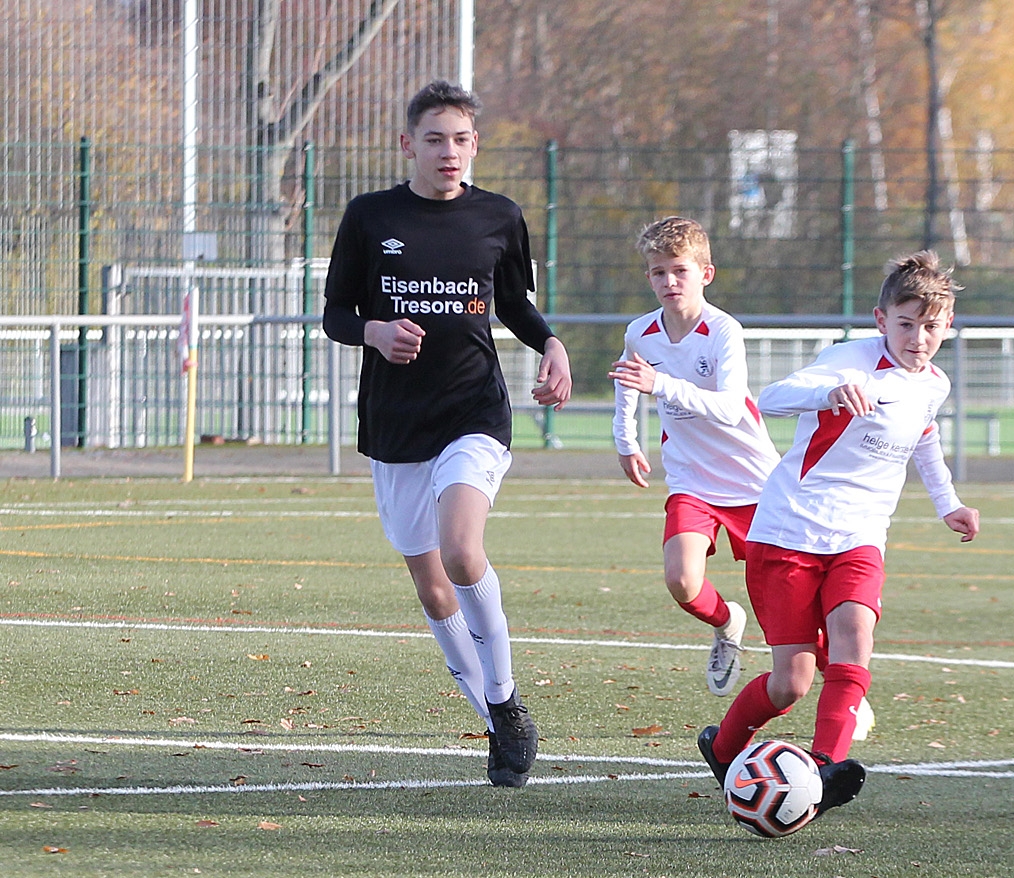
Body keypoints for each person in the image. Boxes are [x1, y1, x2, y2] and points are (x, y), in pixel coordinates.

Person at [322, 80, 572, 788]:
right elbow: (336, 313)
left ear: (475, 145)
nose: (448, 151)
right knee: (434, 591)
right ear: (409, 144)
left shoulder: (499, 216)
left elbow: (514, 303)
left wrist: (551, 344)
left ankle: (506, 700)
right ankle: (497, 723)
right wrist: (375, 331)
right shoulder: (370, 216)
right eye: (434, 139)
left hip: (474, 412)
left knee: (462, 550)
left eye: (460, 139)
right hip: (398, 424)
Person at [697, 250, 980, 816]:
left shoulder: (934, 384)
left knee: (854, 637)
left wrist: (948, 503)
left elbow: (923, 438)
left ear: (948, 326)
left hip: (860, 537)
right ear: (881, 320)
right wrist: (826, 395)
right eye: (906, 324)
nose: (918, 339)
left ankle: (824, 771)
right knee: (792, 683)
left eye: (931, 327)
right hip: (788, 535)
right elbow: (770, 399)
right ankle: (722, 748)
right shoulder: (848, 362)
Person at [609, 217, 780, 695]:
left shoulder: (723, 330)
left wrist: (662, 384)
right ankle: (727, 624)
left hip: (753, 481)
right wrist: (626, 440)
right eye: (659, 272)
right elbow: (629, 382)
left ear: (706, 274)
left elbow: (730, 408)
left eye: (680, 270)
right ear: (649, 277)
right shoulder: (641, 332)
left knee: (780, 602)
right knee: (682, 581)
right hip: (692, 479)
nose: (670, 281)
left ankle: (840, 687)